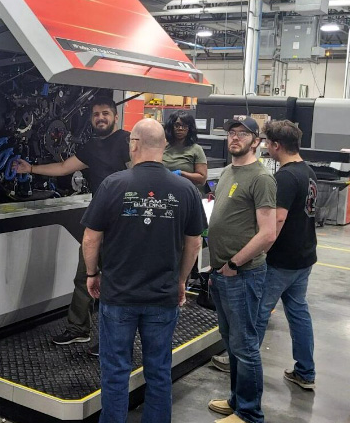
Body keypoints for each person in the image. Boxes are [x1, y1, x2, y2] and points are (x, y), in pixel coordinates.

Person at [81, 118, 205, 423]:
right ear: (163, 146)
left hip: (119, 295)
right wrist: (181, 281)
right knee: (159, 372)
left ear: (134, 145)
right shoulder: (185, 189)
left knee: (115, 371)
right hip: (162, 296)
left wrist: (92, 274)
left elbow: (90, 238)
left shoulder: (113, 184)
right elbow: (194, 245)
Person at [14, 96, 130, 347]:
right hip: (98, 222)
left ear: (116, 116)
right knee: (84, 276)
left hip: (123, 223)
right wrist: (30, 169)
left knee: (117, 283)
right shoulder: (91, 147)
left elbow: (137, 176)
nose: (101, 118)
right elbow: (64, 167)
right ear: (91, 119)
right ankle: (79, 328)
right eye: (96, 114)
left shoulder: (126, 141)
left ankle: (114, 340)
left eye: (106, 113)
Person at [207, 117, 276, 423]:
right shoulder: (227, 172)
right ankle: (237, 400)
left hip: (242, 274)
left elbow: (267, 233)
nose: (234, 138)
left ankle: (249, 413)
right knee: (231, 340)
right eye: (231, 133)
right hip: (222, 272)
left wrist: (235, 263)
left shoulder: (261, 178)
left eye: (242, 134)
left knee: (245, 345)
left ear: (256, 141)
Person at [256, 120, 318, 390]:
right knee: (298, 313)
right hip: (304, 257)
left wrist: (260, 253)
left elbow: (277, 221)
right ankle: (305, 372)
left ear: (276, 145)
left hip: (281, 261)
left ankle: (241, 361)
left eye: (267, 142)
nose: (266, 147)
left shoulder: (285, 177)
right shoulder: (308, 171)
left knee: (257, 312)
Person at [163, 111, 207, 187]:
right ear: (171, 126)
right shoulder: (163, 147)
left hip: (186, 192)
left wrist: (182, 173)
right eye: (177, 125)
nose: (180, 129)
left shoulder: (196, 149)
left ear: (189, 128)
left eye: (184, 126)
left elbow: (202, 179)